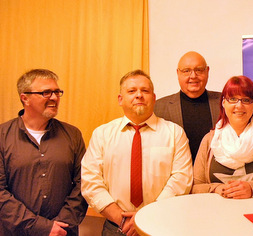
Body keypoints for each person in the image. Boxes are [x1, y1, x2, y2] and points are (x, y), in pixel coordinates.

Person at [81, 70, 193, 236]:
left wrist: (147, 217)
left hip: (162, 223)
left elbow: (181, 179)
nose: (139, 95)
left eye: (145, 91)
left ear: (154, 98)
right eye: (132, 91)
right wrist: (122, 219)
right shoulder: (102, 134)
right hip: (117, 226)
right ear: (120, 99)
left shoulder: (175, 133)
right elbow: (91, 180)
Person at [0, 69, 87, 235]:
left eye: (57, 92)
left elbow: (83, 184)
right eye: (46, 92)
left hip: (63, 232)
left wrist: (60, 226)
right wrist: (42, 228)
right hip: (16, 231)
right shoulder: (2, 136)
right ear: (24, 98)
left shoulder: (73, 135)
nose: (54, 98)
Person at [154, 51, 221, 160]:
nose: (193, 76)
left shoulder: (225, 103)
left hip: (213, 175)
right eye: (186, 71)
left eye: (199, 70)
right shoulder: (159, 107)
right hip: (176, 175)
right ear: (178, 73)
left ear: (207, 71)